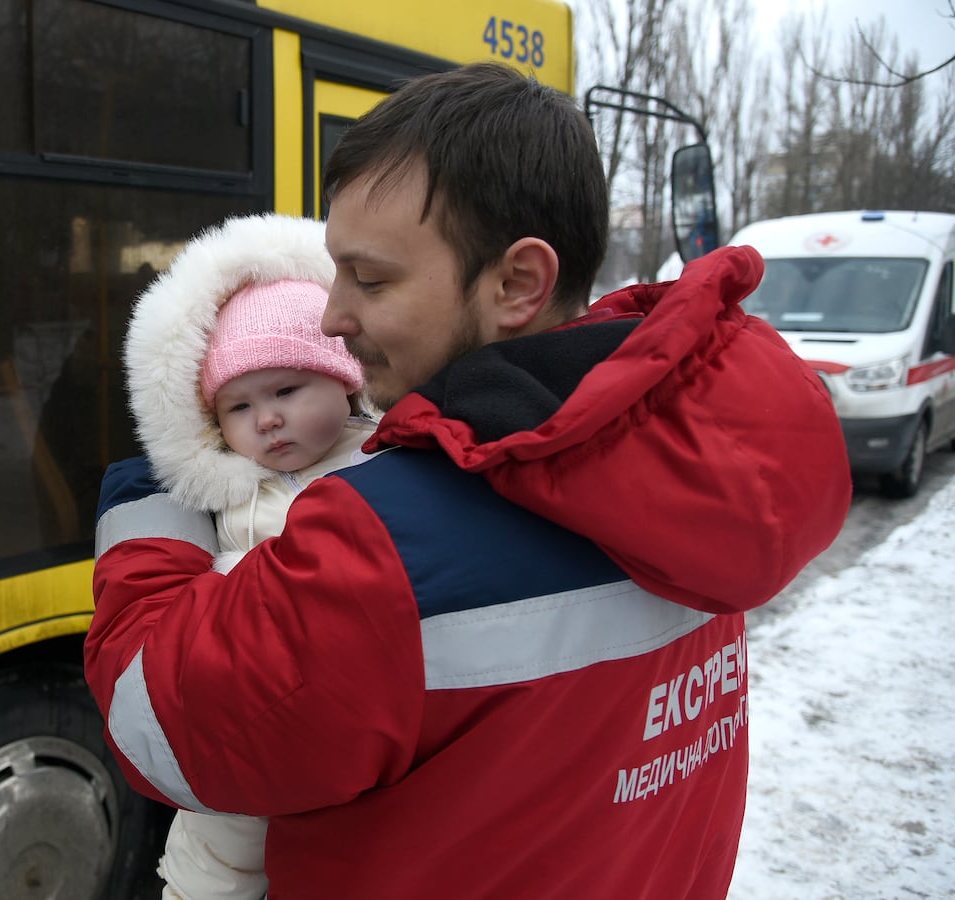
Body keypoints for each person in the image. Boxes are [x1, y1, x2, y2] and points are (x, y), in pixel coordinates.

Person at [85, 62, 853, 899]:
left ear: (517, 283)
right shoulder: (697, 467)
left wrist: (149, 509)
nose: (334, 316)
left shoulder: (383, 544)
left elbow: (156, 727)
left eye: (371, 280)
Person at [122, 213, 375, 899]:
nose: (265, 419)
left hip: (342, 727)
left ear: (344, 381)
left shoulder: (381, 468)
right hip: (245, 717)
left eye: (287, 391)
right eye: (238, 406)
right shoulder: (222, 494)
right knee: (218, 841)